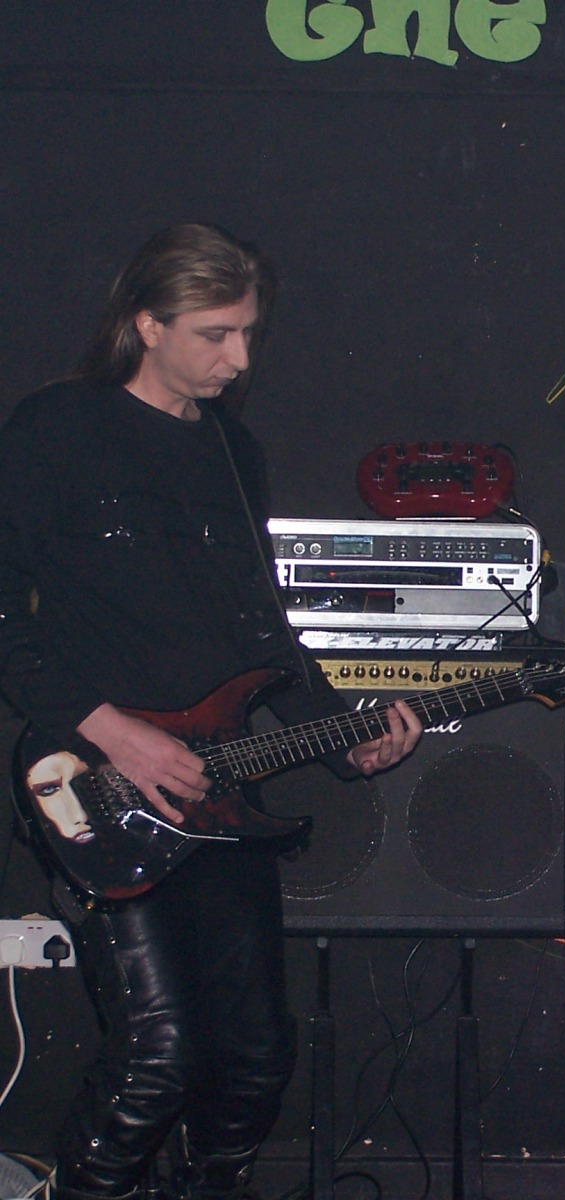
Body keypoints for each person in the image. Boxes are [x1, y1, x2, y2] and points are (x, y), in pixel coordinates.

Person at [0, 223, 422, 1200]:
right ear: (146, 324)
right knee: (159, 1056)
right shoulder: (57, 428)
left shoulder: (231, 451)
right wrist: (113, 729)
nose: (238, 359)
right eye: (215, 334)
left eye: (247, 334)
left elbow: (262, 635)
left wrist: (347, 738)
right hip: (93, 779)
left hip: (214, 785)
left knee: (255, 1057)